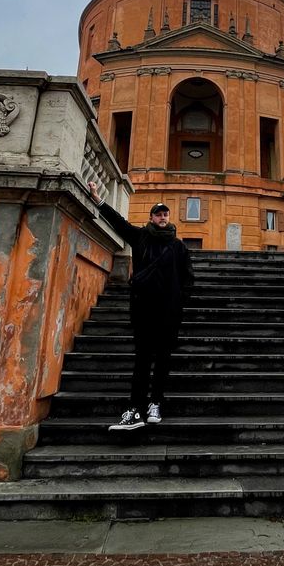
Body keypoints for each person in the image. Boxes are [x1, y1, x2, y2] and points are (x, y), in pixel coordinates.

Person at [87, 181, 195, 432]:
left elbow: (188, 277)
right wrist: (98, 200)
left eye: (165, 213)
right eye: (158, 214)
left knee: (164, 359)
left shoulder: (178, 246)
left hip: (168, 312)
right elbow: (119, 224)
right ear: (151, 218)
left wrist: (180, 302)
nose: (162, 217)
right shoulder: (141, 237)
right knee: (143, 360)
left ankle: (155, 403)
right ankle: (135, 407)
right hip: (144, 309)